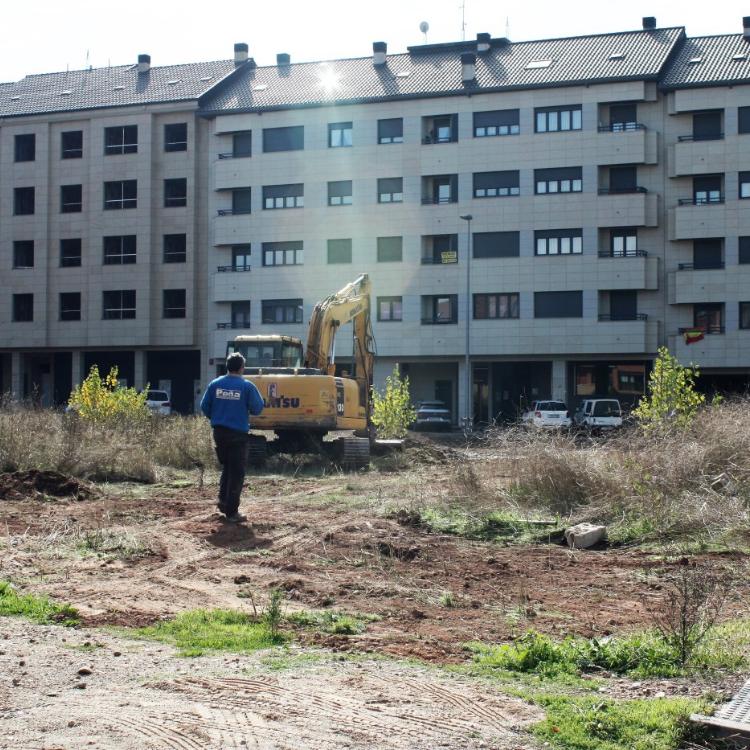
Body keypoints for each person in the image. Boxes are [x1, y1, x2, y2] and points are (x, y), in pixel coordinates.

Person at [200, 353, 264, 523]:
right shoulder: (247, 386)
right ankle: (232, 512)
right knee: (237, 472)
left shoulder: (215, 384)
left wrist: (217, 417)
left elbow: (204, 406)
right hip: (238, 435)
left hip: (219, 433)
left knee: (227, 467)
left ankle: (223, 501)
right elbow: (258, 408)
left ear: (227, 366)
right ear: (242, 368)